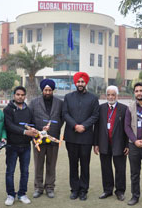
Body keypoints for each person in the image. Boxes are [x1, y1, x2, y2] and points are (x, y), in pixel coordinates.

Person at [63, 72, 99, 201]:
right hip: (71, 137)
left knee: (85, 165)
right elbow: (65, 113)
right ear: (75, 83)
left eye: (82, 82)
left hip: (86, 137)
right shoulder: (68, 97)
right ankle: (74, 190)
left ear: (86, 83)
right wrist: (75, 126)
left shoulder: (93, 98)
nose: (80, 84)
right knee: (73, 164)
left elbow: (95, 116)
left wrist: (83, 126)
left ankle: (83, 190)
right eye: (78, 82)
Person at [29, 79, 64, 199]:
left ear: (53, 90)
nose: (48, 92)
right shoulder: (34, 103)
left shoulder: (60, 103)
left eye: (50, 90)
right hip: (38, 139)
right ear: (42, 90)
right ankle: (38, 188)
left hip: (53, 138)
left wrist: (54, 128)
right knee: (38, 164)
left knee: (51, 164)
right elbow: (30, 119)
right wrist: (38, 130)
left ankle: (49, 187)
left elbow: (62, 118)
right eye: (45, 90)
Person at [3, 86, 38, 206]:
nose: (20, 96)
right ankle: (10, 194)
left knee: (25, 171)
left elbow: (32, 124)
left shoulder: (28, 110)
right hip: (12, 146)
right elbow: (9, 126)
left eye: (22, 95)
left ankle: (22, 193)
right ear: (14, 95)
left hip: (26, 146)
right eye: (18, 94)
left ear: (25, 96)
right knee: (10, 171)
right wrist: (25, 132)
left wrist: (36, 130)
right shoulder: (8, 109)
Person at [94, 85, 129, 201]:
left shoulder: (124, 109)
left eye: (113, 94)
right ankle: (107, 190)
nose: (110, 97)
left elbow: (127, 128)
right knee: (106, 168)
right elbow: (97, 127)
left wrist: (127, 145)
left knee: (120, 168)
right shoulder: (101, 108)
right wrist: (96, 144)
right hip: (104, 143)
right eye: (108, 94)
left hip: (119, 144)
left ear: (117, 96)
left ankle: (120, 191)